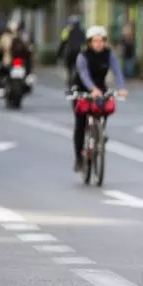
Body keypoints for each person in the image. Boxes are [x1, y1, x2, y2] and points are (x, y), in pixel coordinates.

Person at [71, 25, 128, 172]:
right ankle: (78, 157)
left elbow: (117, 71)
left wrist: (121, 87)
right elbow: (83, 74)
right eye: (95, 41)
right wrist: (92, 89)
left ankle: (99, 134)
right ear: (89, 42)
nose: (98, 43)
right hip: (83, 89)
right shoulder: (83, 56)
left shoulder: (109, 54)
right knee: (80, 123)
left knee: (104, 109)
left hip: (100, 89)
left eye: (101, 40)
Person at [0, 21, 34, 98]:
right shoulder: (22, 36)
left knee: (1, 72)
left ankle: (1, 89)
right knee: (27, 73)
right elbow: (29, 49)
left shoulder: (5, 37)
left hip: (9, 61)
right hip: (19, 61)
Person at [57, 15, 86, 89]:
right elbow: (84, 43)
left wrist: (59, 54)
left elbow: (63, 43)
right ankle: (77, 81)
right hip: (78, 53)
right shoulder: (82, 31)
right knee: (78, 68)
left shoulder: (66, 31)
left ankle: (70, 81)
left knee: (69, 69)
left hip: (69, 53)